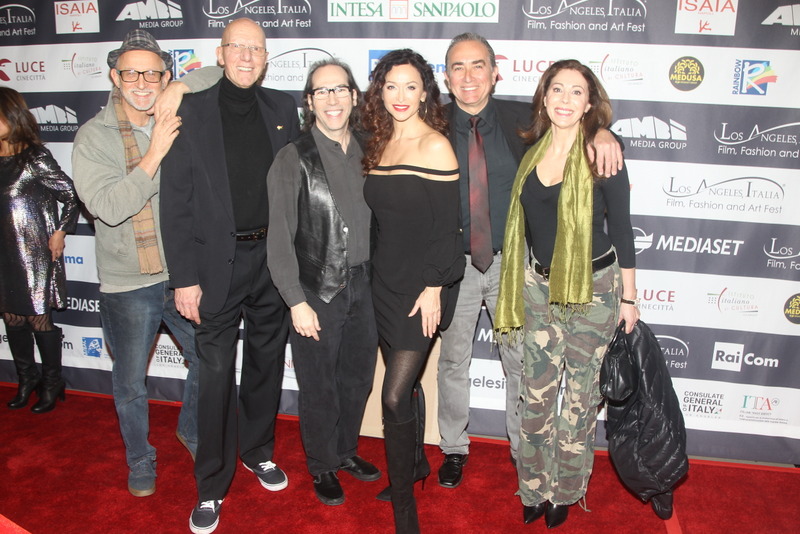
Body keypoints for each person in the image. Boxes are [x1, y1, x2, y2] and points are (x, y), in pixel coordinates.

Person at [436, 33, 623, 488]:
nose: (468, 76)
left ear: (495, 72)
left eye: (478, 65)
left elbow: (574, 125)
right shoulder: (431, 123)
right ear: (446, 77)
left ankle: (527, 454)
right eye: (458, 67)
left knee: (521, 365)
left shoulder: (524, 120)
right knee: (453, 362)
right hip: (454, 266)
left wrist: (604, 132)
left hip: (514, 264)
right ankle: (454, 448)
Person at [158, 18, 300, 534]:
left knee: (266, 362)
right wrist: (184, 278)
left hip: (272, 260)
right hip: (214, 266)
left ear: (266, 58)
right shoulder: (190, 110)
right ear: (220, 54)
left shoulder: (283, 108)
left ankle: (257, 451)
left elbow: (298, 186)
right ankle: (211, 485)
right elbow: (175, 201)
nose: (246, 56)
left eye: (255, 49)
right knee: (215, 376)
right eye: (237, 47)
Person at [494, 59, 639, 529]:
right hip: (538, 289)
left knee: (579, 399)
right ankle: (534, 486)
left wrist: (630, 299)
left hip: (594, 291)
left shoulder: (602, 154)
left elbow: (622, 229)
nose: (565, 99)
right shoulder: (528, 149)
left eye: (577, 92)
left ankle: (566, 490)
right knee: (535, 396)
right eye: (557, 89)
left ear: (590, 103)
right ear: (544, 96)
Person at [71, 29, 199, 497]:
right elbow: (108, 207)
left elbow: (223, 72)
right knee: (130, 383)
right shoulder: (93, 136)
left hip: (182, 274)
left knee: (211, 356)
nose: (142, 83)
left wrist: (182, 86)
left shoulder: (176, 112)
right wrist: (155, 152)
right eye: (131, 73)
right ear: (114, 77)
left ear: (164, 77)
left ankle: (192, 430)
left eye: (152, 74)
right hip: (128, 283)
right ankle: (140, 457)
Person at [266, 59, 381, 506]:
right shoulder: (292, 157)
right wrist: (295, 300)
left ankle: (346, 450)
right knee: (319, 384)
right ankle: (322, 464)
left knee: (357, 378)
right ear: (309, 103)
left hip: (367, 285)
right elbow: (279, 238)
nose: (332, 99)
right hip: (317, 288)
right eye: (322, 91)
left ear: (353, 96)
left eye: (340, 89)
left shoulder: (372, 147)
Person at [362, 49, 465, 534]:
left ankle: (405, 509)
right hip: (382, 283)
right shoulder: (379, 143)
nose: (400, 96)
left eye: (410, 86)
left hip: (420, 290)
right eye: (391, 86)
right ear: (379, 92)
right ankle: (417, 464)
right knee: (407, 390)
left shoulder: (435, 146)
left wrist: (435, 286)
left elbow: (449, 229)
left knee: (394, 396)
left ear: (425, 92)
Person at [1, 87, 79, 414]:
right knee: (11, 317)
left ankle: (51, 381)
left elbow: (71, 194)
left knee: (37, 319)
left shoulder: (34, 157)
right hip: (3, 253)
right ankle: (26, 378)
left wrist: (60, 232)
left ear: (12, 117)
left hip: (33, 254)